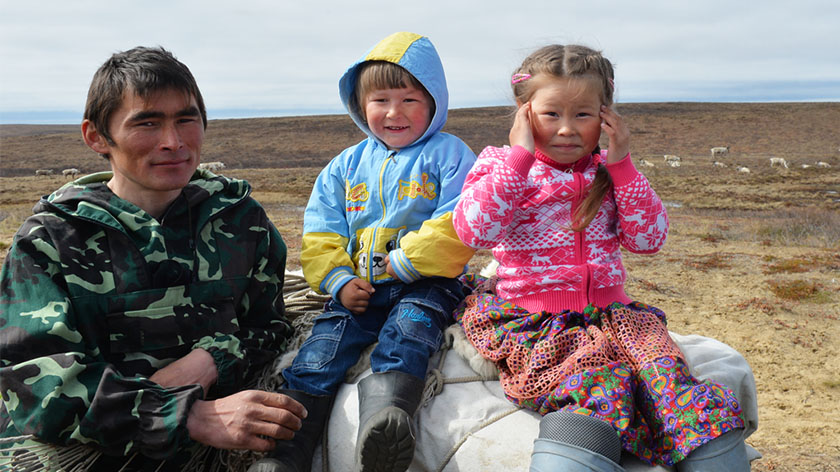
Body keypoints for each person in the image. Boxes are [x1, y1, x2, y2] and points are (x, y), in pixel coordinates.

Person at [0, 46, 306, 470]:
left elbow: (269, 327)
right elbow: (38, 386)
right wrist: (188, 415)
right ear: (96, 136)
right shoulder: (49, 240)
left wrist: (211, 359)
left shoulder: (240, 220)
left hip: (218, 440)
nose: (174, 142)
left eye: (186, 119)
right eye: (147, 122)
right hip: (88, 454)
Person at [452, 45, 750, 471]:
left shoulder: (612, 174)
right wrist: (518, 159)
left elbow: (649, 240)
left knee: (684, 399)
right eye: (552, 114)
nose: (568, 129)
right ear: (524, 113)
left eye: (584, 115)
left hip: (620, 319)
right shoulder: (500, 165)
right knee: (592, 393)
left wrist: (622, 163)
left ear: (606, 116)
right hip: (539, 324)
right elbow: (475, 230)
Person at [248, 32, 476, 472]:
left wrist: (406, 263)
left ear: (434, 102)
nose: (394, 112)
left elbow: (459, 219)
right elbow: (321, 229)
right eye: (381, 100)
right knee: (320, 350)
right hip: (358, 289)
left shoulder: (450, 155)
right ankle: (284, 453)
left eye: (410, 99)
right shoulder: (345, 165)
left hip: (426, 283)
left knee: (408, 334)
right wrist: (338, 279)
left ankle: (386, 419)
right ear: (360, 105)